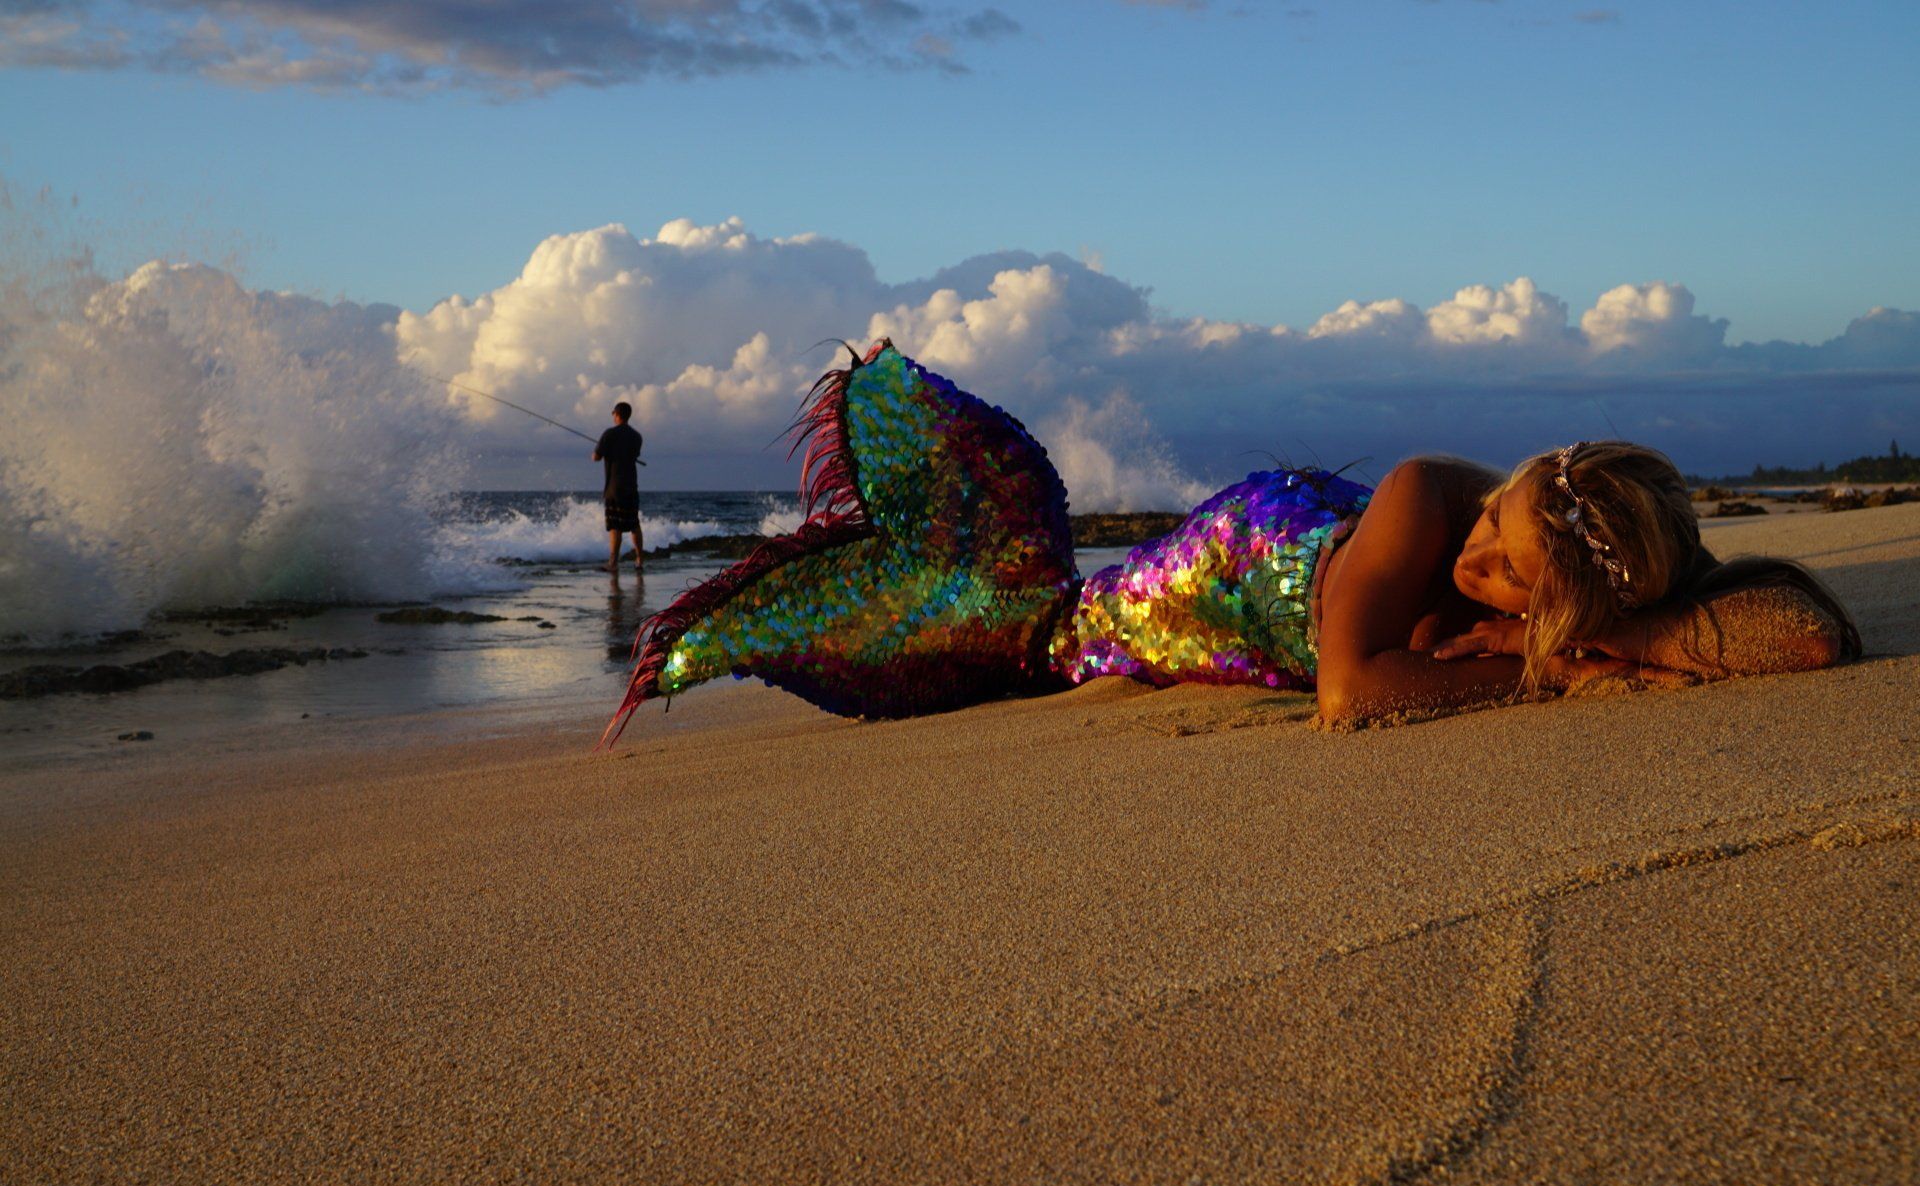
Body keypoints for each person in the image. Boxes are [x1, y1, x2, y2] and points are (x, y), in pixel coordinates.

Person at [602, 341, 1856, 742]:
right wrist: (1548, 662)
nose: (1475, 548)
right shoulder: (1430, 492)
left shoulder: (1584, 570)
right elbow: (1354, 694)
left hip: (1312, 549)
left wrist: (1623, 632)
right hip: (1211, 571)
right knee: (1031, 634)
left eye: (1507, 569)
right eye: (1494, 520)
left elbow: (1801, 636)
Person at [593, 402, 645, 572]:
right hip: (631, 486)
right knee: (634, 524)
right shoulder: (637, 436)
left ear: (616, 414)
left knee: (615, 527)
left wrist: (599, 452)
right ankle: (639, 560)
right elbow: (634, 454)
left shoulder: (609, 434)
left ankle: (613, 563)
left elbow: (596, 457)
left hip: (613, 488)